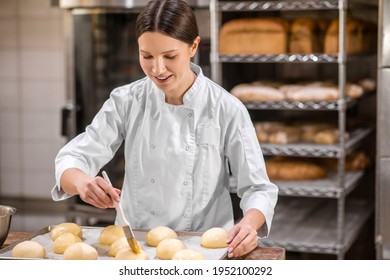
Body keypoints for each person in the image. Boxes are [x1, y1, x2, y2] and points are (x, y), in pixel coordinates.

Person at [52, 0, 278, 258]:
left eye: (170, 57)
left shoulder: (225, 108)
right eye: (146, 56)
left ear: (193, 46)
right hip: (133, 248)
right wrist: (83, 182)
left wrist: (248, 226)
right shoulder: (127, 100)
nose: (157, 69)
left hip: (204, 249)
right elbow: (74, 157)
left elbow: (258, 188)